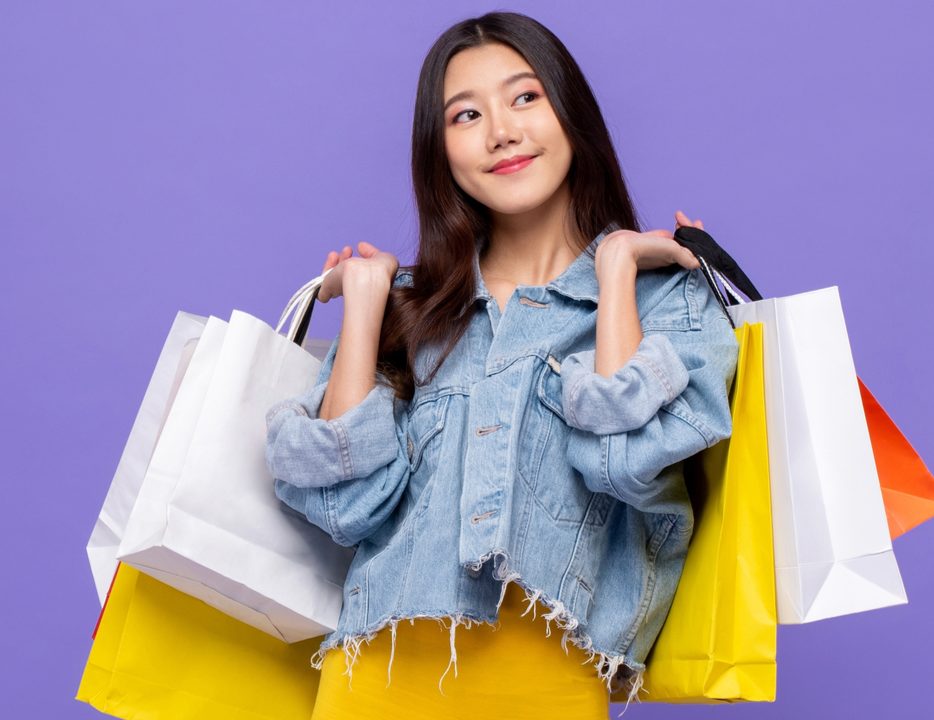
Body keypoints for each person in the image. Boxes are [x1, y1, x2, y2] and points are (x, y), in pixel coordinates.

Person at [266, 12, 737, 719]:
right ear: (441, 149)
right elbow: (344, 507)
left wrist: (614, 273)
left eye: (525, 98)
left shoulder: (665, 300)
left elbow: (621, 458)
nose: (501, 132)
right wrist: (365, 309)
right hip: (368, 691)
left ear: (569, 112)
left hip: (544, 693)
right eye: (465, 114)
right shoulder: (417, 310)